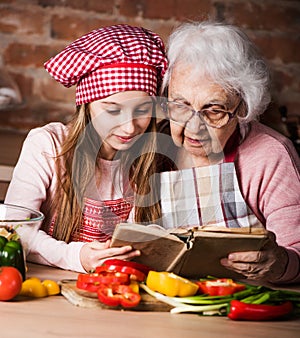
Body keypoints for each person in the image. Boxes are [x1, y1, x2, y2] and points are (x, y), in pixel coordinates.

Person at [4, 24, 168, 273]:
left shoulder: (153, 157)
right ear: (87, 104)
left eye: (143, 110)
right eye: (113, 110)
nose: (130, 127)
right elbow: (13, 229)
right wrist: (76, 256)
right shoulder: (48, 145)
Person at [156, 21, 300, 284]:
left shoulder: (271, 155)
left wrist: (280, 264)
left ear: (243, 107)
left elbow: (297, 254)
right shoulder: (154, 145)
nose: (193, 126)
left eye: (214, 110)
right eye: (180, 105)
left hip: (241, 306)